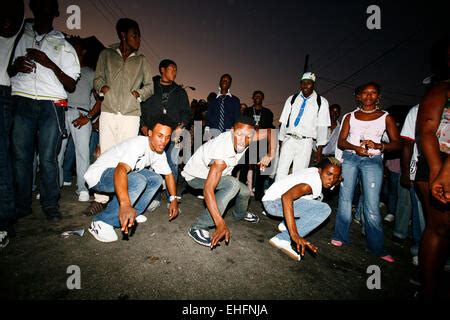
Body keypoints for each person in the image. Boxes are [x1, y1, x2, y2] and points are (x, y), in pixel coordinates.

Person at [9, 0, 80, 221]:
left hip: (51, 104)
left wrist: (49, 63)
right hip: (22, 99)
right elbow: (6, 68)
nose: (44, 12)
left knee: (49, 157)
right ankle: (22, 205)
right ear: (34, 8)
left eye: (49, 9)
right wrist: (15, 66)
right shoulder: (18, 37)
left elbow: (71, 84)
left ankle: (50, 205)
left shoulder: (64, 44)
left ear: (56, 13)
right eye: (41, 6)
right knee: (21, 157)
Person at [84, 17, 154, 216]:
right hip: (108, 111)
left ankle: (119, 199)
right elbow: (97, 78)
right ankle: (100, 198)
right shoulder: (106, 54)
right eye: (134, 35)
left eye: (139, 36)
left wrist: (138, 94)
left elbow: (150, 86)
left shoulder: (141, 60)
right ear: (123, 35)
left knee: (126, 158)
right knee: (105, 155)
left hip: (131, 115)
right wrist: (101, 87)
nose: (138, 39)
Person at [331, 82, 401, 263]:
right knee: (345, 199)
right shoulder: (350, 116)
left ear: (378, 97)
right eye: (365, 93)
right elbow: (341, 142)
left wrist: (380, 146)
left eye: (373, 93)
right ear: (358, 96)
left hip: (373, 161)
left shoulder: (386, 117)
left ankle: (376, 246)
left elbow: (397, 143)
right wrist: (356, 147)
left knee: (372, 204)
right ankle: (340, 236)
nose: (369, 96)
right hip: (351, 158)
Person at [85, 116, 180, 243]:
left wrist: (173, 199)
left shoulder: (159, 153)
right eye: (160, 135)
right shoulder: (138, 144)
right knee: (138, 180)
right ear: (150, 133)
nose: (164, 141)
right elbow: (120, 170)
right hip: (99, 175)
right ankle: (102, 221)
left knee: (156, 179)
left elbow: (168, 175)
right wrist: (124, 204)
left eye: (167, 137)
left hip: (117, 174)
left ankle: (134, 212)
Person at [182, 116, 262, 249]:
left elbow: (271, 133)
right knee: (233, 185)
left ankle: (240, 214)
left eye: (248, 136)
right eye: (239, 134)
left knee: (245, 192)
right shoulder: (222, 153)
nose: (243, 140)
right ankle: (198, 227)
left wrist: (269, 155)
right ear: (232, 131)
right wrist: (220, 223)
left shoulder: (249, 135)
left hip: (218, 174)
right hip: (196, 177)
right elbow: (208, 189)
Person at [416, 36, 449, 299]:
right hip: (439, 165)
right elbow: (426, 129)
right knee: (438, 228)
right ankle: (428, 290)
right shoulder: (442, 89)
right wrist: (441, 171)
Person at [263, 158, 342, 261]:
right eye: (329, 174)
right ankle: (283, 238)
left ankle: (285, 224)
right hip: (274, 204)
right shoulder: (310, 185)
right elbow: (286, 197)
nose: (332, 180)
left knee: (318, 197)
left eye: (336, 177)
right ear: (320, 170)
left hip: (272, 199)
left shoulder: (314, 171)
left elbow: (331, 180)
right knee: (324, 209)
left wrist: (336, 180)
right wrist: (294, 234)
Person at [57, 36, 101, 202]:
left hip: (82, 114)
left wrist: (89, 117)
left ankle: (82, 188)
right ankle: (53, 187)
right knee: (57, 153)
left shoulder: (90, 73)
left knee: (82, 154)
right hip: (61, 111)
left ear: (82, 51)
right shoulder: (62, 70)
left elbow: (100, 99)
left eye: (75, 47)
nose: (71, 51)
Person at [140, 59, 192, 191]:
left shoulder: (180, 92)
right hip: (153, 132)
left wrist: (181, 127)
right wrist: (143, 126)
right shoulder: (150, 87)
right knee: (151, 164)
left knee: (172, 164)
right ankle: (154, 196)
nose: (174, 72)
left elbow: (186, 112)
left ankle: (171, 197)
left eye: (176, 70)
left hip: (173, 134)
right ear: (162, 70)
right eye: (171, 69)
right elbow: (141, 108)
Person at [0, 0, 24, 248]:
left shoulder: (14, 11)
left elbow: (8, 24)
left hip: (1, 90)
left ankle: (3, 222)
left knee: (3, 158)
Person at [277, 72, 330, 180]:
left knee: (299, 174)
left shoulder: (321, 102)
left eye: (309, 83)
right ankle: (275, 196)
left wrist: (319, 150)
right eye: (303, 83)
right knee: (281, 171)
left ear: (313, 84)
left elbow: (322, 127)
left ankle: (293, 196)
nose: (305, 85)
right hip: (289, 139)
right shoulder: (292, 98)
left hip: (305, 142)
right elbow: (284, 122)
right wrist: (281, 141)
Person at [240, 90, 276, 201]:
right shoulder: (248, 110)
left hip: (262, 142)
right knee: (244, 167)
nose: (257, 98)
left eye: (259, 96)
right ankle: (239, 190)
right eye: (255, 96)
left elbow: (269, 129)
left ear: (262, 98)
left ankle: (259, 195)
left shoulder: (268, 112)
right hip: (249, 142)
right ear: (252, 97)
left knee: (261, 170)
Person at [205, 74, 241, 138]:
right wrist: (207, 135)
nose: (225, 81)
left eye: (227, 81)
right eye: (223, 80)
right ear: (220, 82)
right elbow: (209, 118)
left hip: (228, 134)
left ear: (230, 84)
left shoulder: (235, 100)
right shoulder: (213, 100)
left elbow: (237, 119)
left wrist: (236, 134)